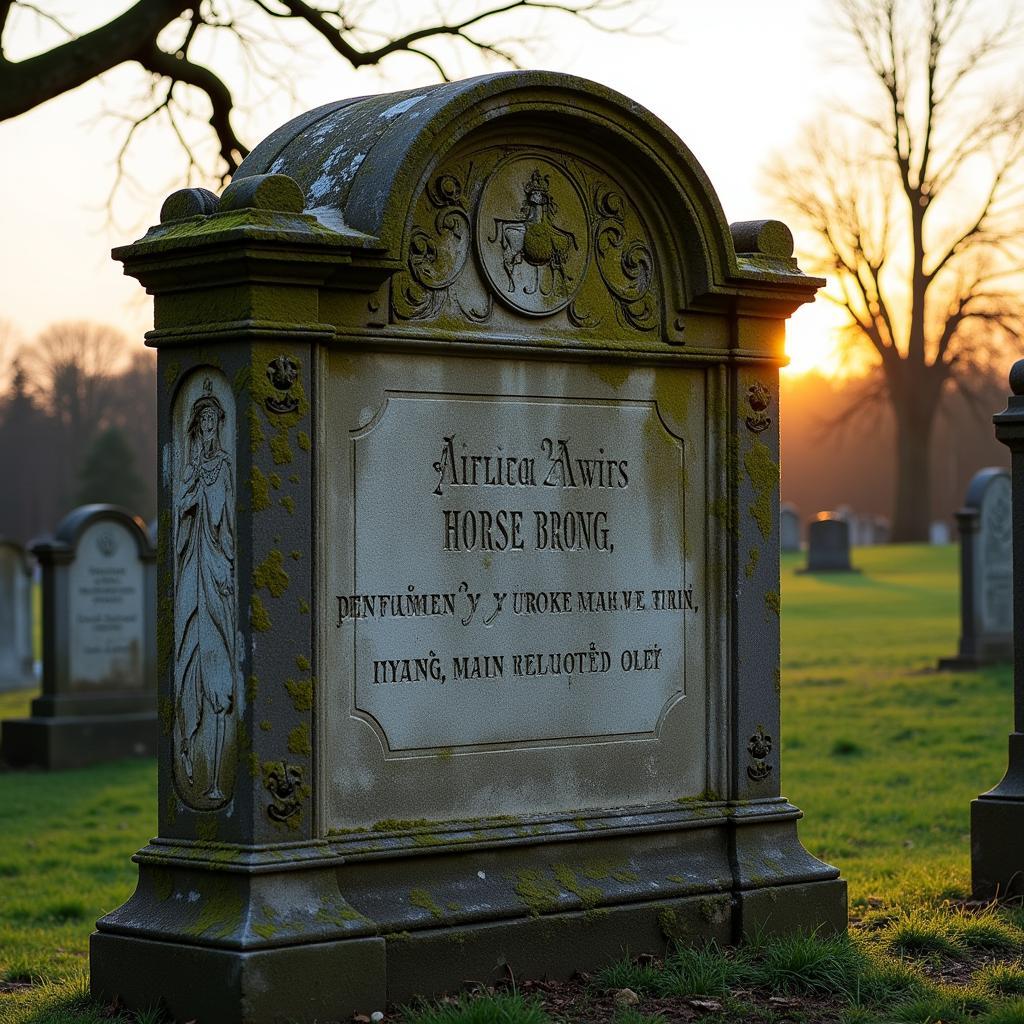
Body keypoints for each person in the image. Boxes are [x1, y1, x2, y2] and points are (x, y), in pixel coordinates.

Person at [174, 379, 237, 803]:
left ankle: (217, 779)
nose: (210, 426)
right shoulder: (192, 467)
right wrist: (192, 485)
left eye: (215, 419)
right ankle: (187, 750)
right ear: (197, 426)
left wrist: (228, 563)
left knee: (219, 670)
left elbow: (227, 519)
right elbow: (181, 510)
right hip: (192, 569)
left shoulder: (226, 465)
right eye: (204, 420)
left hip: (217, 571)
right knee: (188, 658)